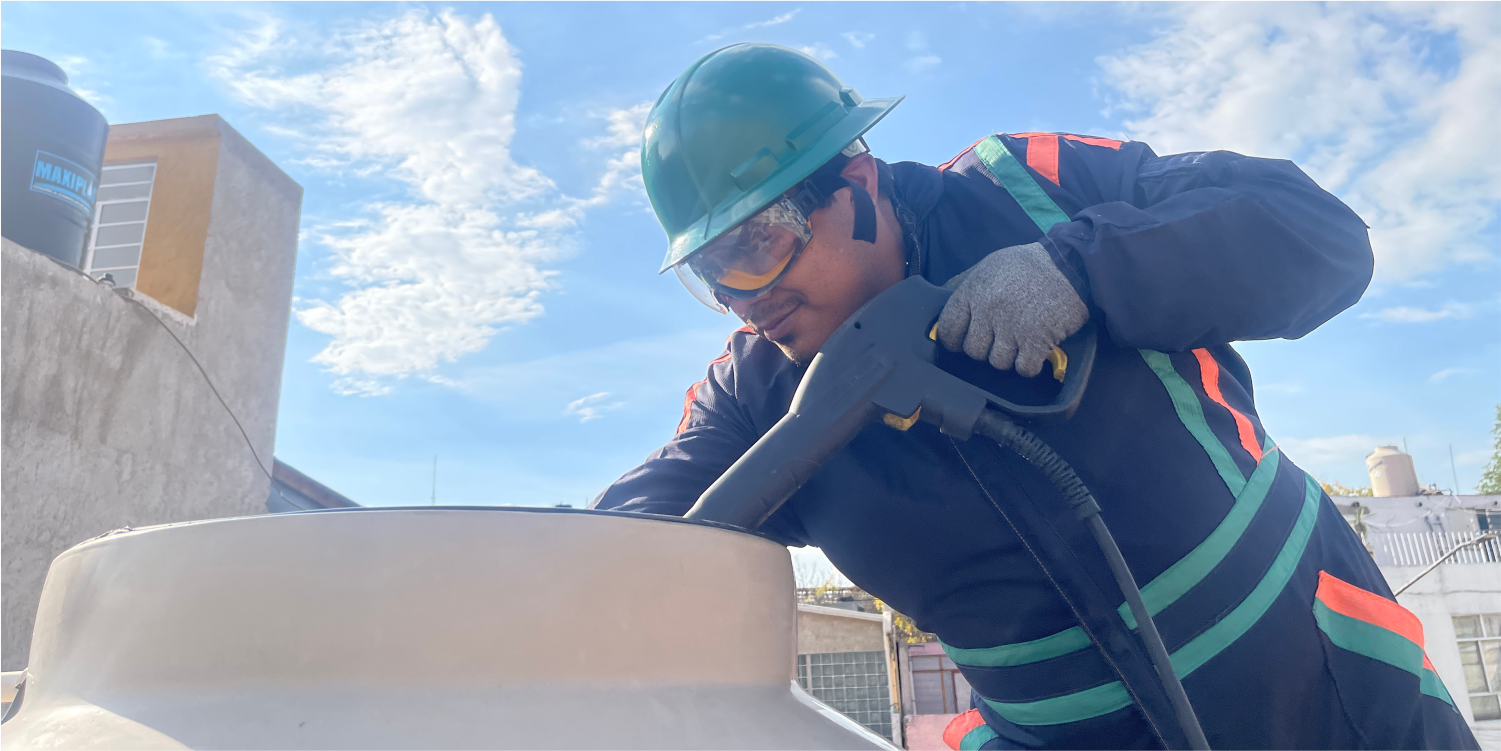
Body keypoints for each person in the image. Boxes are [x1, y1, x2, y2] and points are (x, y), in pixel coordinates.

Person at [593, 44, 1478, 750]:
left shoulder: (1024, 187)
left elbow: (1315, 233)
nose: (742, 301)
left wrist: (1084, 267)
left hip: (1335, 694)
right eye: (712, 274)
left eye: (754, 246)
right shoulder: (752, 394)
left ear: (855, 187)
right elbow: (625, 540)